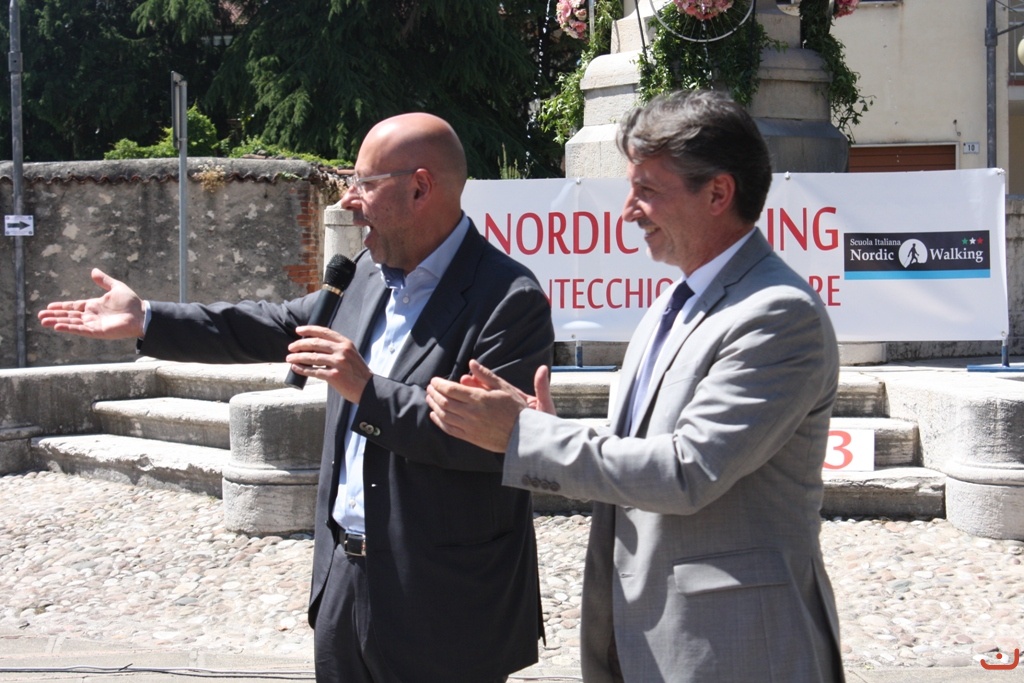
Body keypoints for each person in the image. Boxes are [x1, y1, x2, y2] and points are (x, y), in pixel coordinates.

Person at [38, 113, 554, 683]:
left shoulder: (508, 299)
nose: (348, 201)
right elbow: (274, 324)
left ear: (420, 187)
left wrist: (366, 390)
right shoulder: (366, 273)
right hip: (345, 583)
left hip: (446, 604)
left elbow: (490, 443)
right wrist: (148, 319)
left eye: (363, 183)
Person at [426, 90, 844, 683]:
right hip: (647, 639)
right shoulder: (674, 302)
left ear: (718, 193)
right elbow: (641, 450)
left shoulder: (776, 314)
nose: (628, 211)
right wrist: (544, 427)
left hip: (735, 650)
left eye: (646, 189)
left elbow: (686, 470)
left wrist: (524, 437)